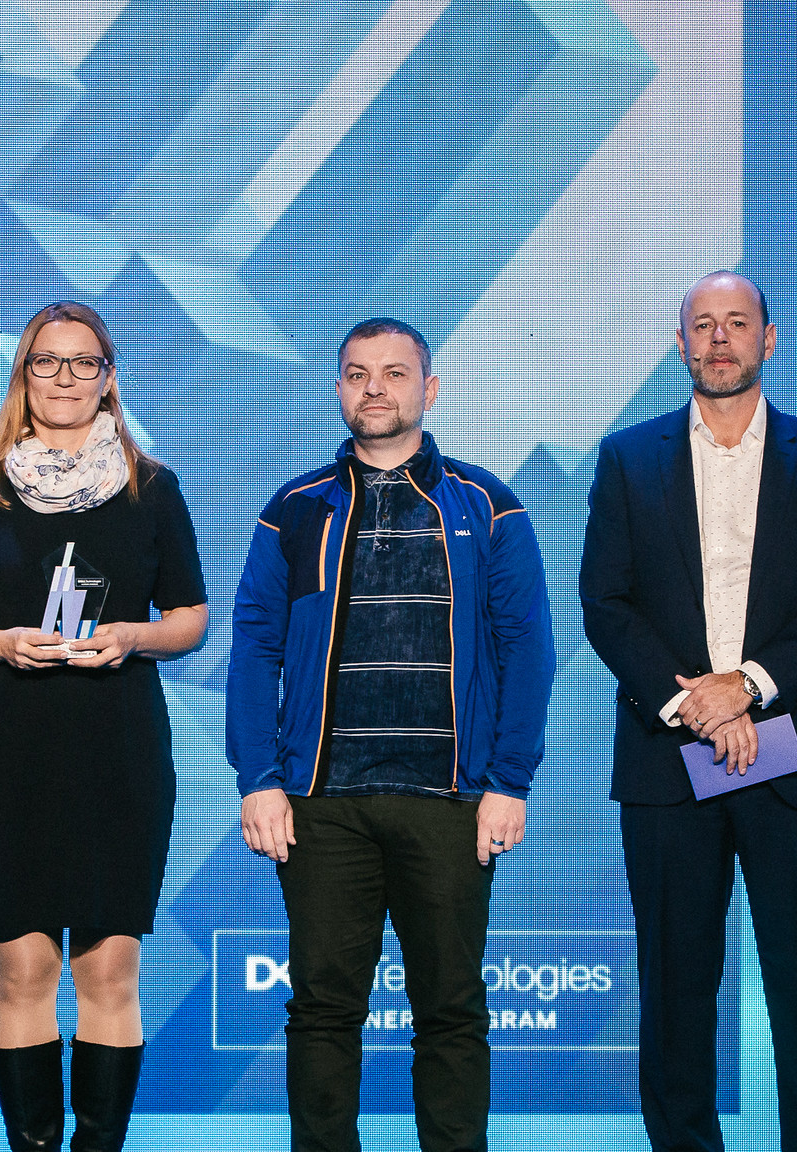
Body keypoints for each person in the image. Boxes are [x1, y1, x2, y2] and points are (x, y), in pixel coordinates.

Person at [229, 317, 556, 1152]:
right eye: (356, 374)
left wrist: (509, 781)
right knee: (322, 1010)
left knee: (451, 1011)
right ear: (338, 390)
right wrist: (258, 778)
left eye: (394, 372)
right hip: (321, 802)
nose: (374, 388)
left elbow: (528, 648)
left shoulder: (488, 504)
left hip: (450, 798)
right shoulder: (296, 509)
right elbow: (255, 646)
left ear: (429, 389)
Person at [580, 271, 797, 1152]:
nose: (719, 339)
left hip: (794, 754)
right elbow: (605, 602)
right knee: (675, 989)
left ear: (768, 339)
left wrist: (746, 685)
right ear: (681, 346)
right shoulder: (627, 458)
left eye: (737, 323)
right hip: (667, 760)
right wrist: (697, 705)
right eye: (703, 325)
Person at [0, 301, 209, 1152]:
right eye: (47, 362)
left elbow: (191, 617)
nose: (66, 379)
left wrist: (133, 636)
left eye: (85, 363)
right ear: (24, 375)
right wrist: (1, 643)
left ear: (109, 379)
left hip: (119, 752)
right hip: (8, 754)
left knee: (110, 969)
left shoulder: (152, 490)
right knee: (24, 969)